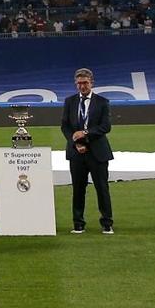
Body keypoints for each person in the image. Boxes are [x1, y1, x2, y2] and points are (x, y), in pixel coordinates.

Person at [59, 68, 113, 234]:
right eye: (79, 83)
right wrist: (75, 142)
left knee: (102, 188)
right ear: (76, 84)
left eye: (85, 83)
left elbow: (106, 126)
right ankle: (78, 223)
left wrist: (86, 134)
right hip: (77, 153)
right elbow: (65, 126)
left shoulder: (102, 102)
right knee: (78, 188)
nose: (82, 86)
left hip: (97, 152)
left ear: (92, 83)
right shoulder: (70, 102)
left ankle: (106, 223)